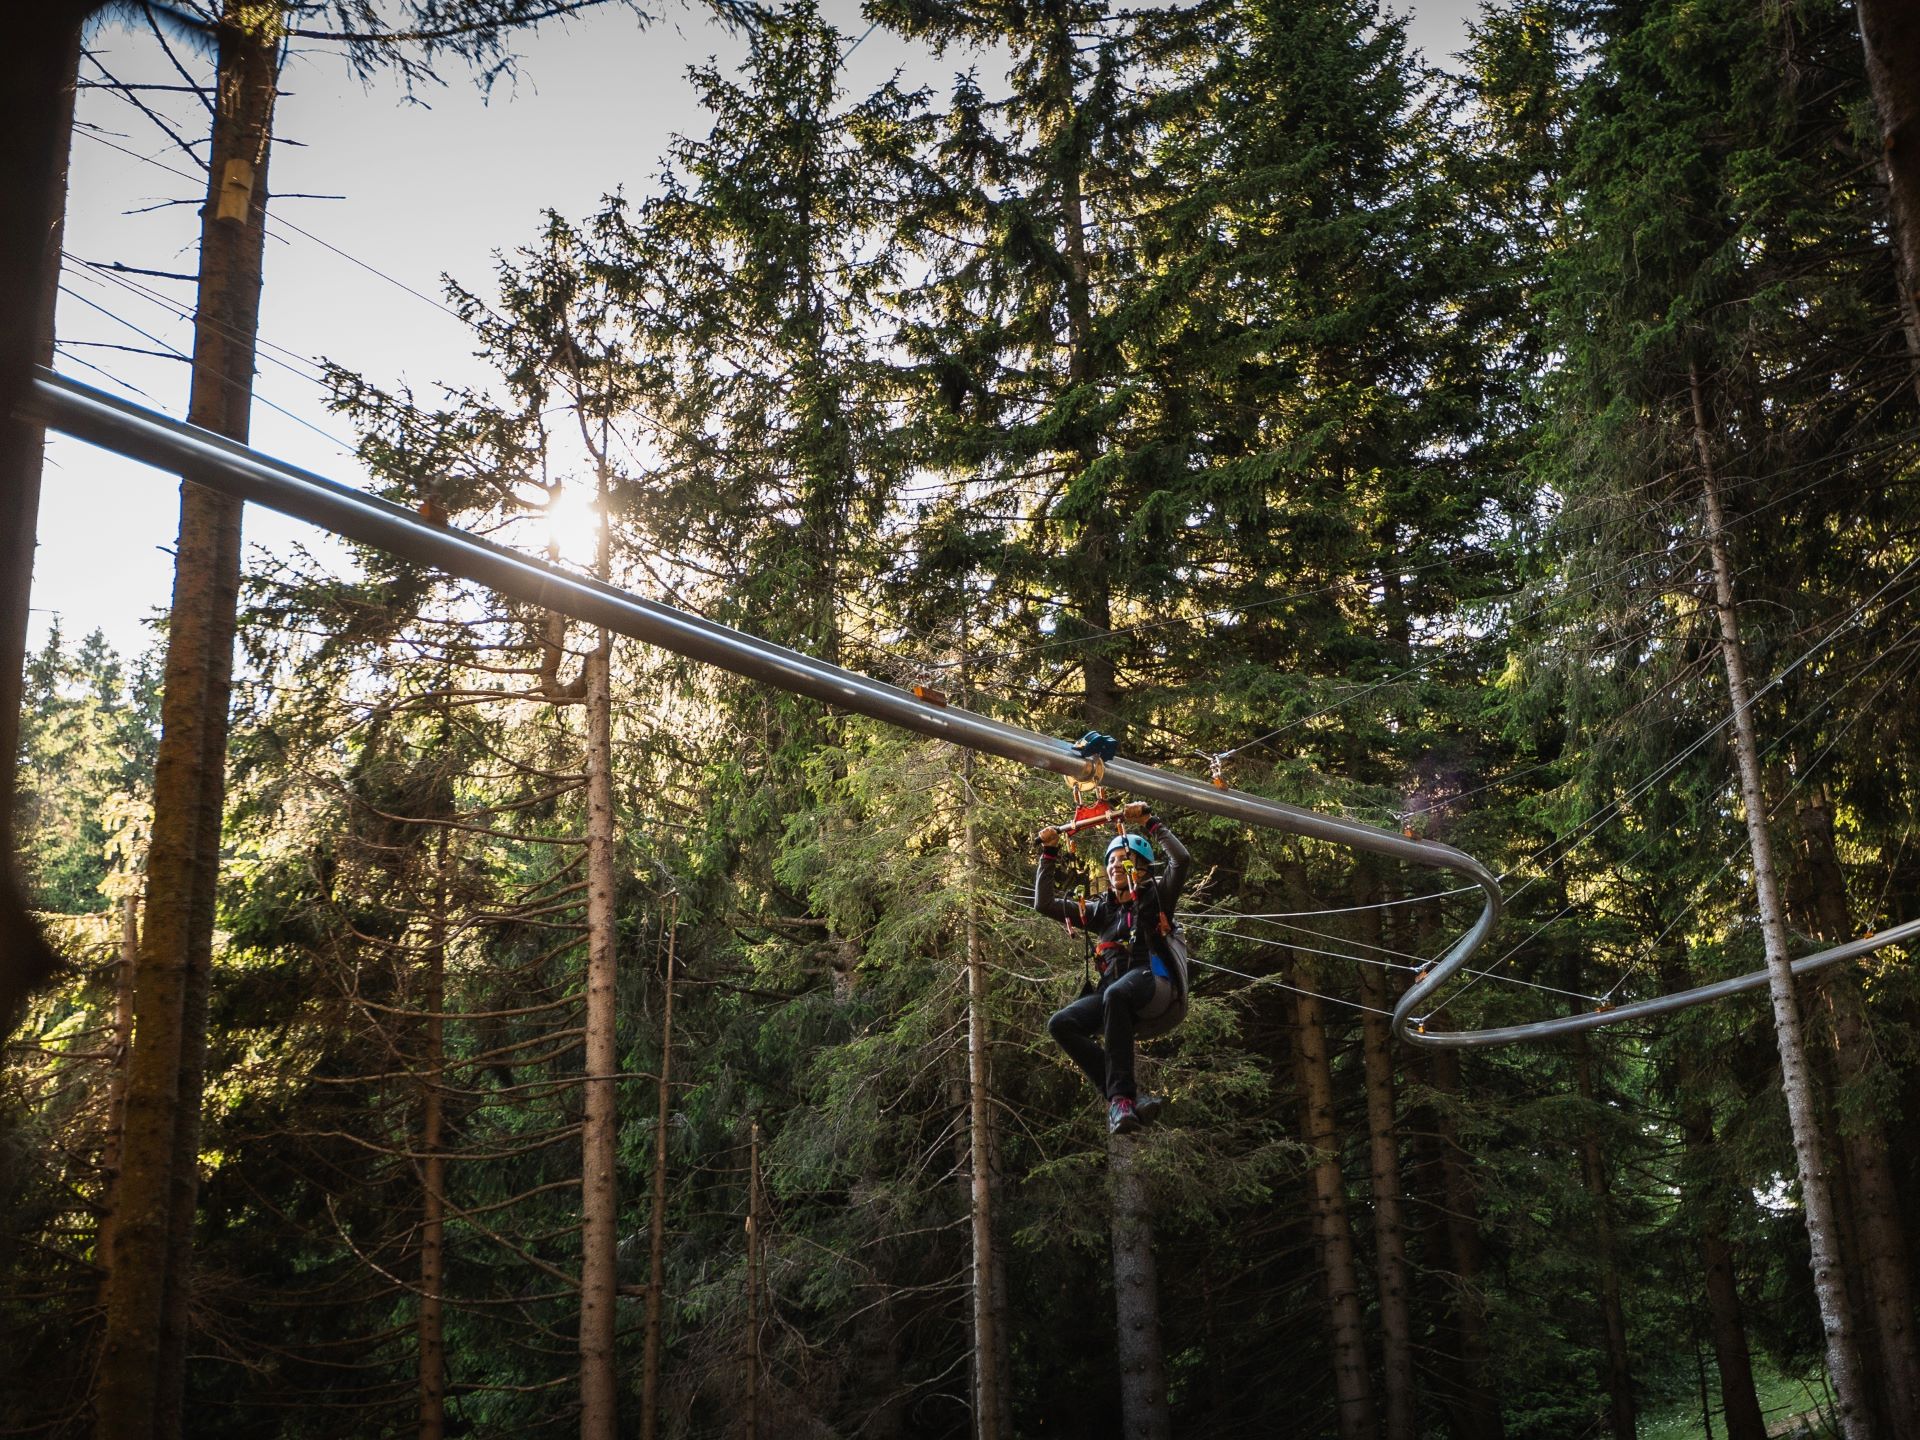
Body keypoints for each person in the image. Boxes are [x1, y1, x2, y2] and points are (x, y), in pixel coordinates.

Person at [1033, 801, 1191, 1135]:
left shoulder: (1157, 896)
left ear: (1143, 867)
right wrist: (1049, 852)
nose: (1116, 866)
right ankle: (1126, 1101)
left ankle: (1119, 1098)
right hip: (1114, 994)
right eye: (1111, 861)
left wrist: (1150, 822)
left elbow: (1181, 860)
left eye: (1124, 859)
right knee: (1062, 1024)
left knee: (1116, 994)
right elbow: (1043, 904)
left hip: (1154, 982)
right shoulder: (1100, 912)